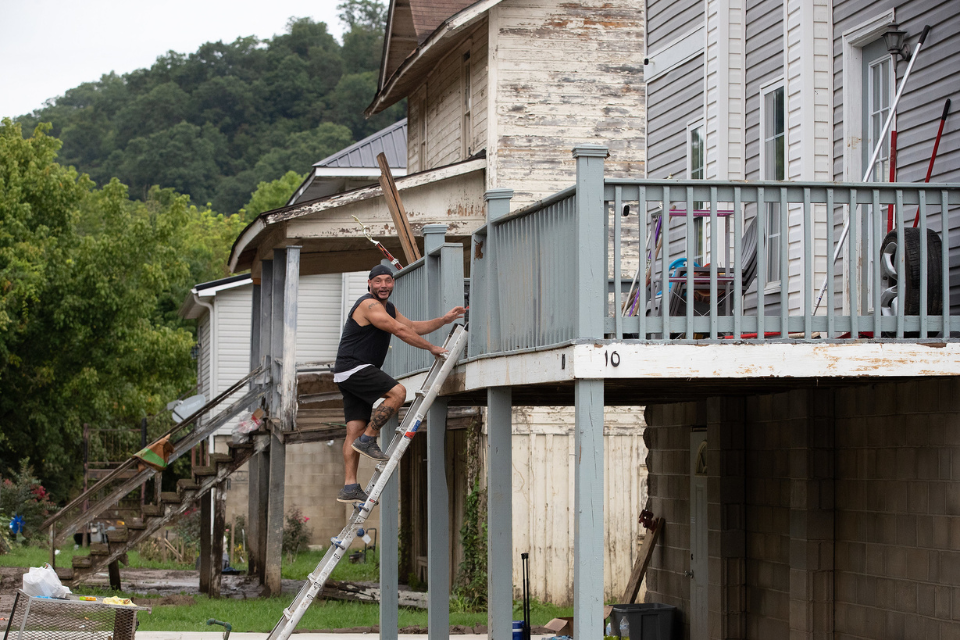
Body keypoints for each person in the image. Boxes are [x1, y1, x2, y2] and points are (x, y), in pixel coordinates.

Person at [333, 264, 467, 503]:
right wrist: (431, 348)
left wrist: (444, 320)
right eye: (378, 281)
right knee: (398, 393)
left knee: (353, 430)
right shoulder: (369, 305)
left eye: (388, 281)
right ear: (369, 283)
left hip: (349, 373)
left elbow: (412, 327)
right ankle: (368, 439)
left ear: (393, 283)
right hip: (355, 367)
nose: (383, 285)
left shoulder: (389, 308)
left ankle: (350, 486)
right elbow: (398, 331)